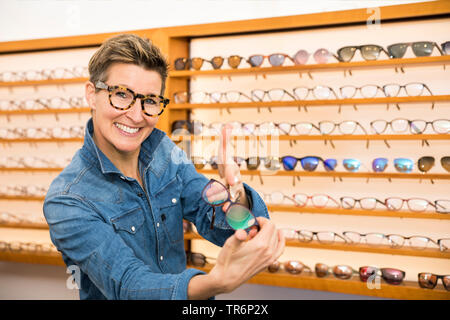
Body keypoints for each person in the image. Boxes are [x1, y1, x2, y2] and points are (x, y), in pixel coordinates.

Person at [43, 33, 285, 300]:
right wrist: (213, 284)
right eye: (121, 95)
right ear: (92, 94)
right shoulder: (67, 200)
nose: (136, 116)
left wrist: (237, 195)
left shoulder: (166, 154)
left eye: (149, 101)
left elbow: (217, 222)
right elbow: (128, 285)